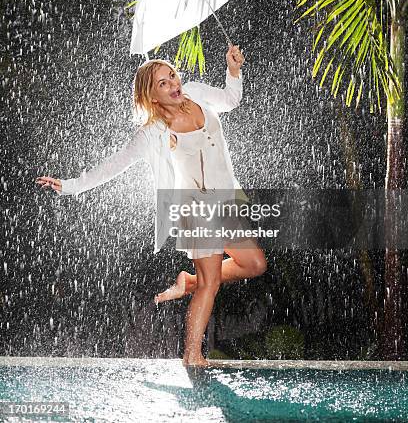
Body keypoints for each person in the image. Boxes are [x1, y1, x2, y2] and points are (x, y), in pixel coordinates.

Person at [36, 44, 267, 366]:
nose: (173, 84)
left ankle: (187, 281)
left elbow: (231, 100)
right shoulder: (153, 132)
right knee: (211, 282)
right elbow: (115, 165)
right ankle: (192, 355)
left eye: (172, 76)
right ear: (151, 96)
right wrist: (71, 185)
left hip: (226, 199)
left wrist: (233, 69)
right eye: (163, 83)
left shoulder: (198, 93)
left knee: (255, 264)